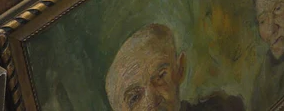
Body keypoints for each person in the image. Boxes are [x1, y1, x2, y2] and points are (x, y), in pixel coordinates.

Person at [105, 24, 245, 111]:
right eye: (135, 98)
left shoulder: (225, 107)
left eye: (160, 76)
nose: (151, 101)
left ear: (180, 68)